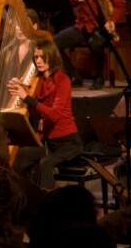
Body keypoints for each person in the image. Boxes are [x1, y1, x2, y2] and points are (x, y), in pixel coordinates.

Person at [9, 38, 82, 190]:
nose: (39, 61)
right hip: (47, 142)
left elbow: (54, 115)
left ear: (52, 57)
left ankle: (45, 203)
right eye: (36, 57)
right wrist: (18, 89)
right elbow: (30, 106)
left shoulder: (63, 80)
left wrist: (27, 98)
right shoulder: (37, 81)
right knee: (21, 156)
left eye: (43, 57)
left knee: (45, 163)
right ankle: (21, 196)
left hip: (68, 143)